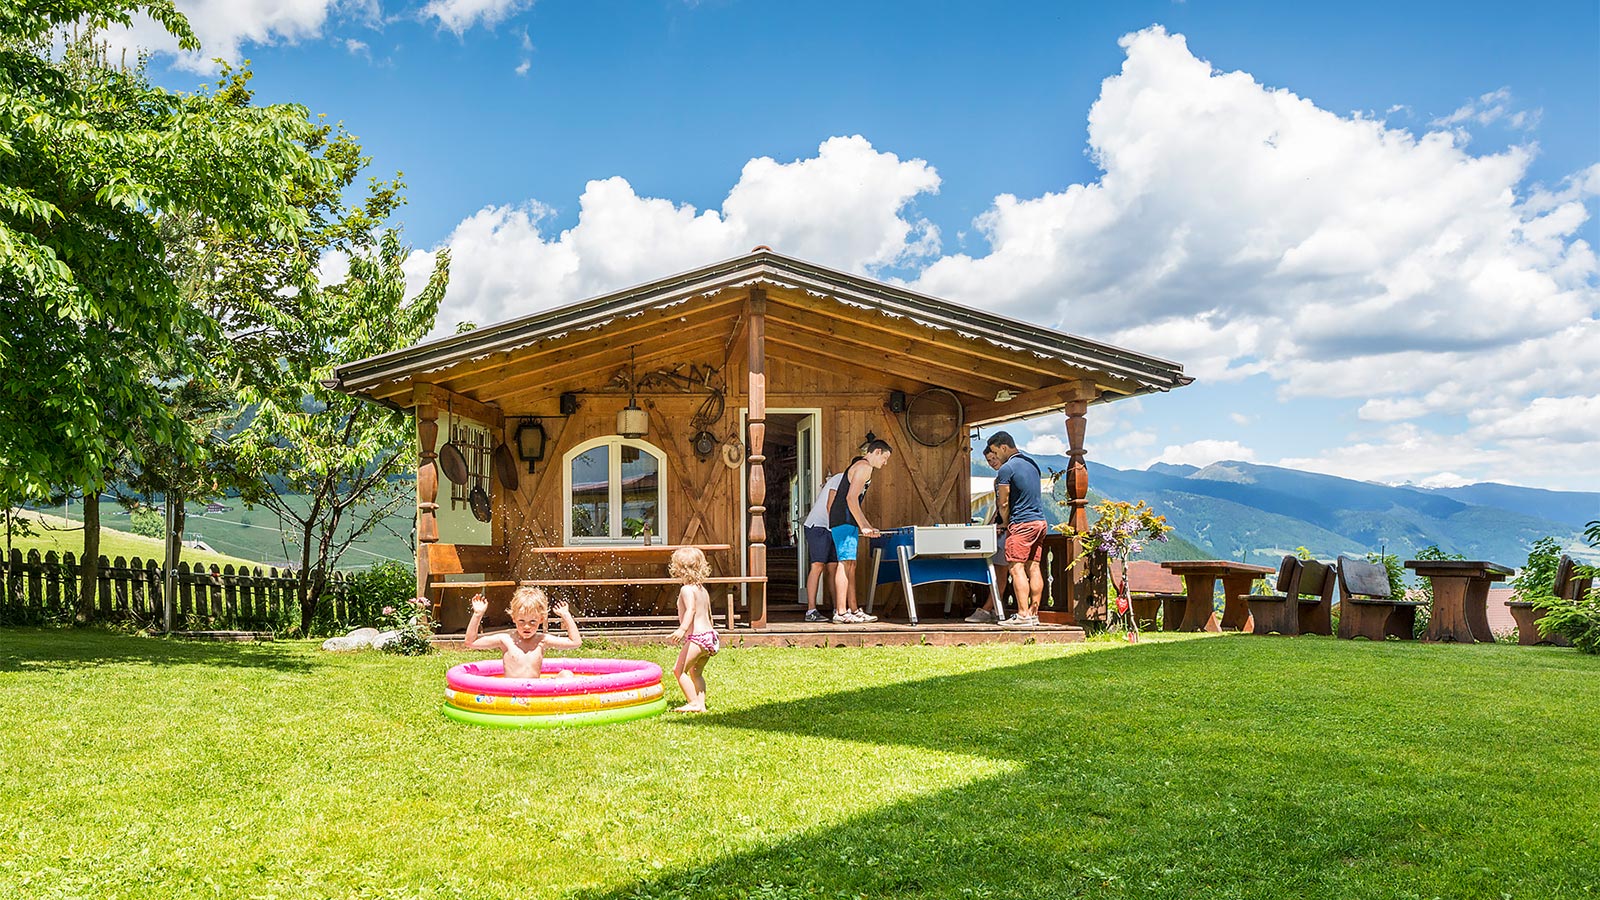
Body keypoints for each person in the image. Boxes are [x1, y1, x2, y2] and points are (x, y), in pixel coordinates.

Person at [828, 439, 893, 624]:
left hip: (847, 521)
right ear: (877, 452)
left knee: (851, 564)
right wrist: (864, 525)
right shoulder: (865, 467)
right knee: (845, 562)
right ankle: (840, 612)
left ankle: (854, 609)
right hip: (844, 520)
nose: (885, 463)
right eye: (885, 458)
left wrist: (865, 525)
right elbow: (851, 499)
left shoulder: (859, 465)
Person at [988, 431, 1047, 626]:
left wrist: (1004, 522)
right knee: (1034, 567)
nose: (996, 457)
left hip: (1021, 523)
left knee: (1016, 567)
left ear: (1004, 447)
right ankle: (1033, 613)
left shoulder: (1007, 469)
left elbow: (1003, 502)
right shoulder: (1032, 465)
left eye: (996, 452)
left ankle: (1022, 615)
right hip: (1039, 522)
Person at [462, 586, 582, 678]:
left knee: (566, 675)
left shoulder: (542, 640)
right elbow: (470, 642)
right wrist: (478, 614)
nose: (526, 626)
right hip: (512, 694)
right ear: (513, 618)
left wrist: (566, 615)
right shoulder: (506, 640)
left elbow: (575, 642)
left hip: (535, 692)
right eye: (521, 621)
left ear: (541, 619)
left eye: (533, 622)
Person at [965, 445, 1011, 624]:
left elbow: (1006, 505)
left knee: (1001, 572)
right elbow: (997, 507)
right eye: (989, 461)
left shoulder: (1006, 477)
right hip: (999, 529)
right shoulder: (999, 479)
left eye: (994, 459)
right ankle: (991, 608)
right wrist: (991, 524)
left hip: (1007, 530)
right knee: (999, 571)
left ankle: (987, 609)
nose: (992, 463)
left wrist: (1003, 525)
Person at [667, 546, 717, 712]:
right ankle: (701, 704)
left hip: (697, 638)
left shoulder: (686, 589)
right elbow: (709, 615)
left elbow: (691, 610)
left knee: (679, 670)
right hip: (710, 638)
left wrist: (682, 629)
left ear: (679, 569)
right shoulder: (702, 590)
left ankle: (693, 702)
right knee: (696, 673)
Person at [800, 471, 844, 623]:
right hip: (818, 526)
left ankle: (838, 608)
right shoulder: (839, 479)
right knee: (817, 565)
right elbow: (829, 505)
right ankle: (811, 610)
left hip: (832, 528)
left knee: (833, 567)